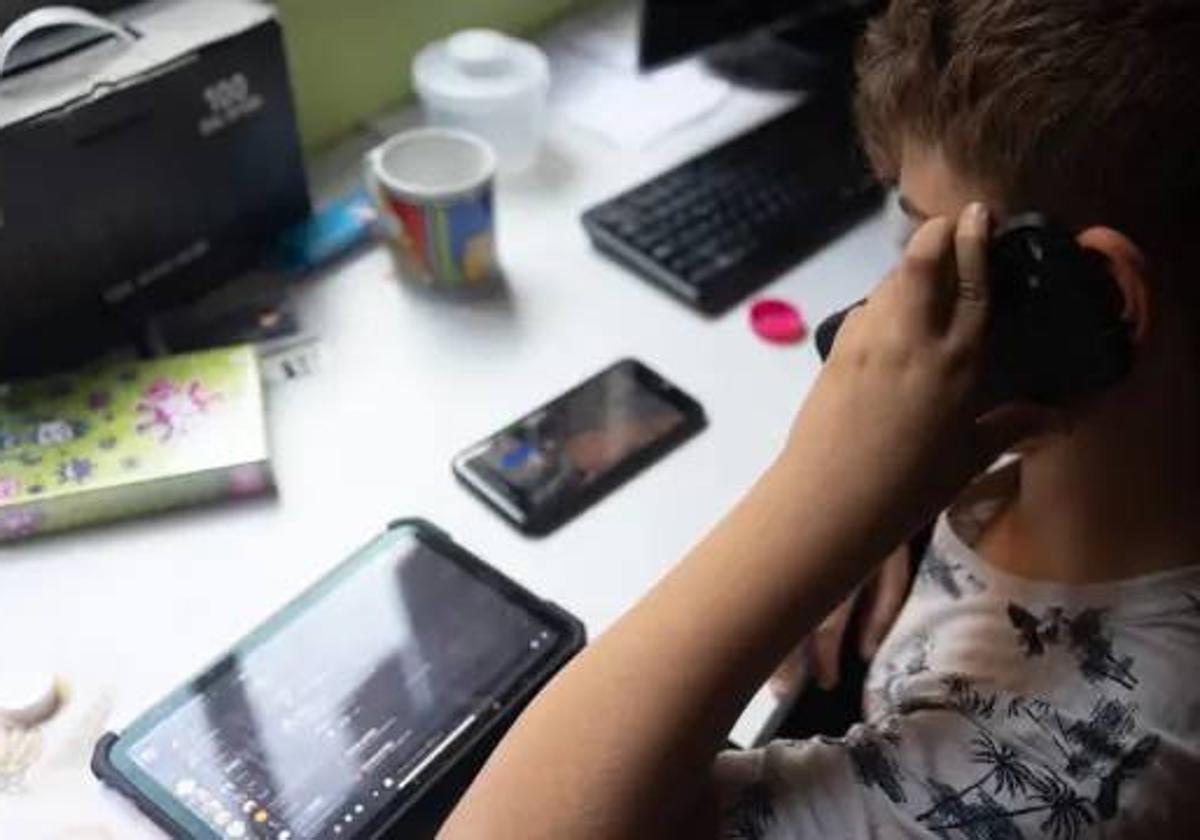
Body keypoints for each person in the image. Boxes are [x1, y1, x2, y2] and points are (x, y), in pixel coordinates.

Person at [438, 0, 1200, 836]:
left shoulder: (1069, 779)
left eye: (929, 249)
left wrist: (817, 514)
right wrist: (889, 513)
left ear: (1098, 305)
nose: (873, 313)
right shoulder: (1077, 452)